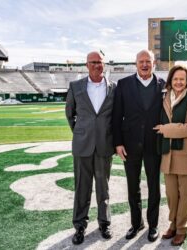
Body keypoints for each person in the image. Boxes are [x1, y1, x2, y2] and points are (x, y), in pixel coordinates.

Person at [112, 49, 165, 242]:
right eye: (141, 61)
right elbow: (117, 116)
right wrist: (117, 143)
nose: (144, 64)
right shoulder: (123, 84)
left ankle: (153, 225)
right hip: (130, 145)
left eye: (148, 61)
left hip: (154, 145)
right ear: (135, 63)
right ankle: (136, 223)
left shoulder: (163, 85)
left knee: (154, 186)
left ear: (154, 63)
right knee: (132, 186)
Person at [65, 51, 116, 245]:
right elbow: (70, 115)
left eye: (100, 62)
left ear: (104, 65)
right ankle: (79, 226)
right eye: (93, 62)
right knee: (82, 188)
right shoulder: (75, 86)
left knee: (104, 188)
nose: (97, 65)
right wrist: (81, 133)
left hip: (104, 146)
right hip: (83, 146)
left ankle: (104, 223)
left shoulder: (114, 88)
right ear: (86, 65)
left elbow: (116, 117)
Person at [153, 64, 187, 246]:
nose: (179, 82)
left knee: (185, 196)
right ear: (170, 81)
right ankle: (173, 224)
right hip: (168, 154)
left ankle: (181, 228)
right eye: (175, 79)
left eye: (182, 79)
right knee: (172, 195)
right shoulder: (165, 97)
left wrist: (166, 129)